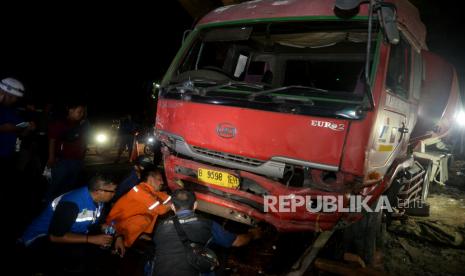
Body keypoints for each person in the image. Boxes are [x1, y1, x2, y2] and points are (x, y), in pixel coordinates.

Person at [20, 174, 117, 273]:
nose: (114, 193)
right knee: (78, 262)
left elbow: (91, 220)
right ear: (99, 191)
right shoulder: (71, 205)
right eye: (112, 191)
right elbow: (55, 236)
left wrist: (102, 226)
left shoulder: (98, 199)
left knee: (90, 254)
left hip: (67, 232)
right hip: (40, 238)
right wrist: (91, 239)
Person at [152, 189, 262, 276]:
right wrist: (253, 234)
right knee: (220, 254)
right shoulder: (206, 224)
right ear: (195, 205)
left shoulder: (161, 226)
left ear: (172, 207)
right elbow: (237, 242)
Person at [45, 102, 89, 201]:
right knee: (55, 185)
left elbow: (83, 143)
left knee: (68, 187)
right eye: (79, 112)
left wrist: (82, 159)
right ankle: (47, 205)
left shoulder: (82, 125)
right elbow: (52, 139)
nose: (81, 114)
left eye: (82, 112)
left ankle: (61, 205)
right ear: (70, 110)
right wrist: (51, 157)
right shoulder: (61, 123)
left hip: (77, 161)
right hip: (62, 161)